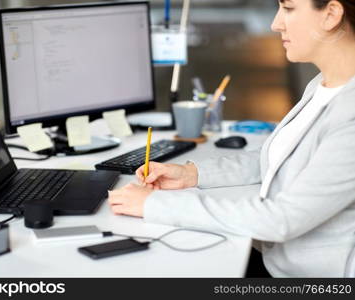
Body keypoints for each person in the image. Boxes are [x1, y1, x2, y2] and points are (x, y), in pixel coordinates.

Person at [108, 0, 355, 277]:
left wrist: (154, 205)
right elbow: (282, 158)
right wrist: (192, 174)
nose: (276, 23)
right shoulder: (324, 84)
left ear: (331, 14)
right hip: (274, 256)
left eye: (288, 8)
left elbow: (283, 219)